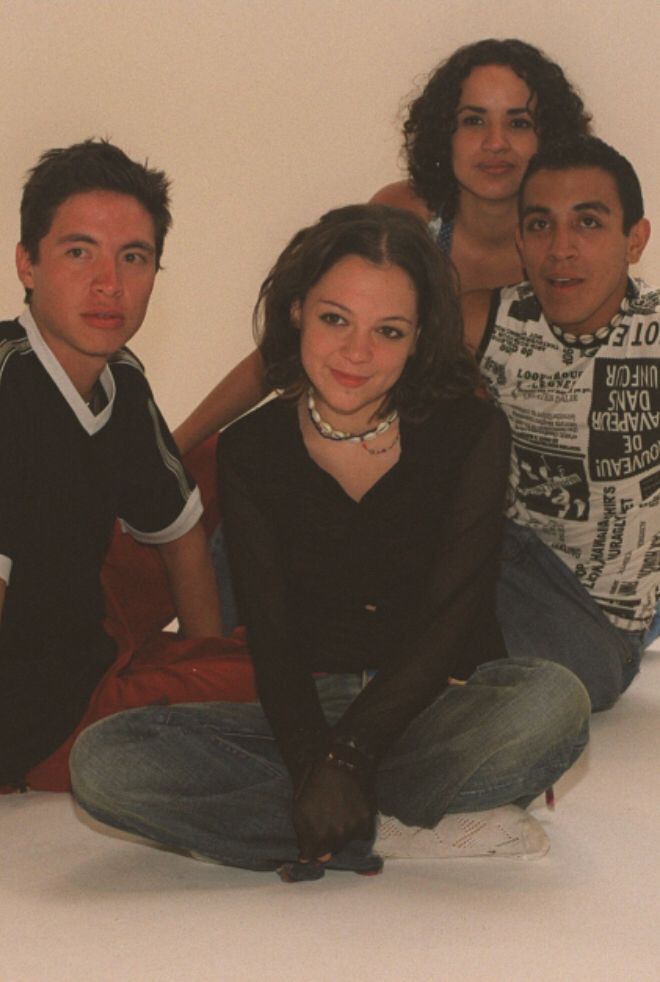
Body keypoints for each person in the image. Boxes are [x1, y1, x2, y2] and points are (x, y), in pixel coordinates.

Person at [71, 205, 590, 880]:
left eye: (389, 331)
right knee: (104, 762)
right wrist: (319, 757)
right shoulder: (254, 449)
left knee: (553, 703)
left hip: (439, 702)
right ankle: (391, 823)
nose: (356, 353)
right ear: (296, 312)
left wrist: (348, 761)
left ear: (419, 338)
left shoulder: (470, 432)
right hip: (305, 713)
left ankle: (325, 816)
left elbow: (449, 622)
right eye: (335, 319)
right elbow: (274, 639)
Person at [171, 37, 591, 456]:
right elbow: (280, 351)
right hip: (381, 467)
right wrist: (177, 445)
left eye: (518, 123)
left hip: (512, 494)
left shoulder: (567, 251)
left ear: (548, 136)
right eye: (473, 121)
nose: (495, 142)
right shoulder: (404, 216)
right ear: (444, 132)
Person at [0, 140, 255, 794]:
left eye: (133, 257)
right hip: (44, 721)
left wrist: (208, 670)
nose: (109, 284)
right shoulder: (9, 391)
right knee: (296, 684)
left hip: (87, 629)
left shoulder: (120, 376)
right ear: (27, 264)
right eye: (79, 251)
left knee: (239, 455)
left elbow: (182, 539)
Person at [461, 136, 658, 711]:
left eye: (589, 223)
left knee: (557, 691)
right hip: (495, 559)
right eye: (541, 225)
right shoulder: (486, 318)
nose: (561, 249)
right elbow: (332, 356)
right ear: (520, 240)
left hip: (592, 622)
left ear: (635, 240)